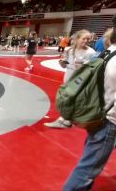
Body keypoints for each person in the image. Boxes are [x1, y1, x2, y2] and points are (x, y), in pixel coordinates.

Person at [63, 29, 116, 191]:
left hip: (97, 112)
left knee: (90, 162)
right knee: (87, 169)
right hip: (109, 119)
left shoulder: (105, 53)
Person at [44, 30, 97, 128]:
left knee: (69, 100)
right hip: (68, 78)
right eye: (83, 38)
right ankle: (67, 120)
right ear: (77, 39)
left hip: (80, 81)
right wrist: (62, 63)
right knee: (68, 99)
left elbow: (94, 68)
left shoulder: (91, 52)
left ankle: (63, 120)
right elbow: (66, 65)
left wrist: (83, 67)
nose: (86, 41)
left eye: (87, 39)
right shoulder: (70, 51)